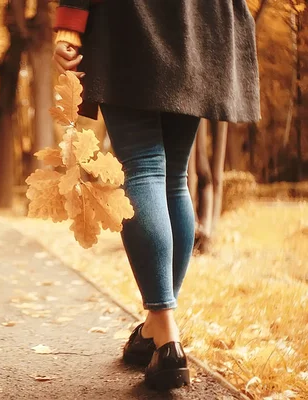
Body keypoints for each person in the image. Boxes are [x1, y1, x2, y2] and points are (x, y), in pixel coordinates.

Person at [53, 0, 260, 391]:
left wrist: (70, 21)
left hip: (130, 17)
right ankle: (155, 329)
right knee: (173, 177)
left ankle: (165, 336)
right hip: (202, 20)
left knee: (144, 167)